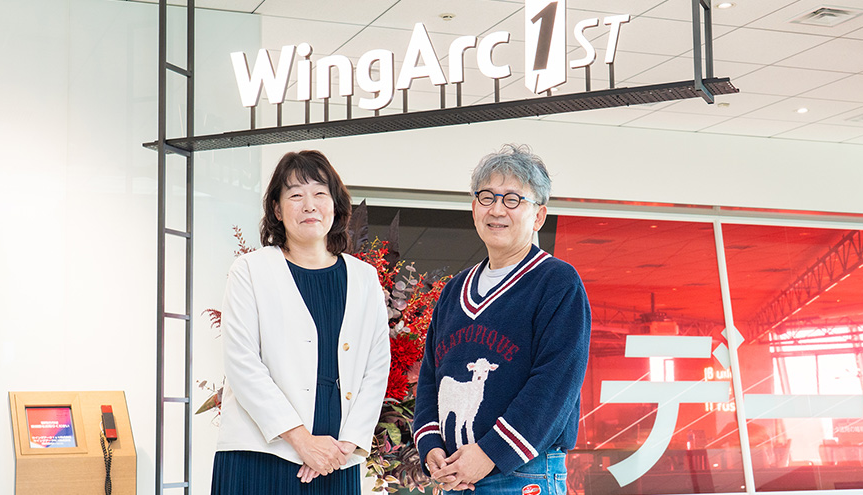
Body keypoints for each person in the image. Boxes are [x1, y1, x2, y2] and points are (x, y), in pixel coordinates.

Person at [413, 144, 591, 494]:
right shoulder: (454, 290)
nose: (497, 209)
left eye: (512, 199)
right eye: (487, 197)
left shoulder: (557, 282)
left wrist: (489, 453)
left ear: (538, 216)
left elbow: (555, 383)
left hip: (524, 474)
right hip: (455, 474)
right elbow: (431, 377)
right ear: (474, 208)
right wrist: (430, 446)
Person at [211, 150, 391, 495]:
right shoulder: (250, 271)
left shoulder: (364, 278)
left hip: (335, 456)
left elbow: (377, 366)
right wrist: (301, 440)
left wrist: (347, 444)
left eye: (320, 193)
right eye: (295, 195)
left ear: (335, 205)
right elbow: (242, 363)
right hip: (260, 454)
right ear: (277, 210)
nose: (309, 205)